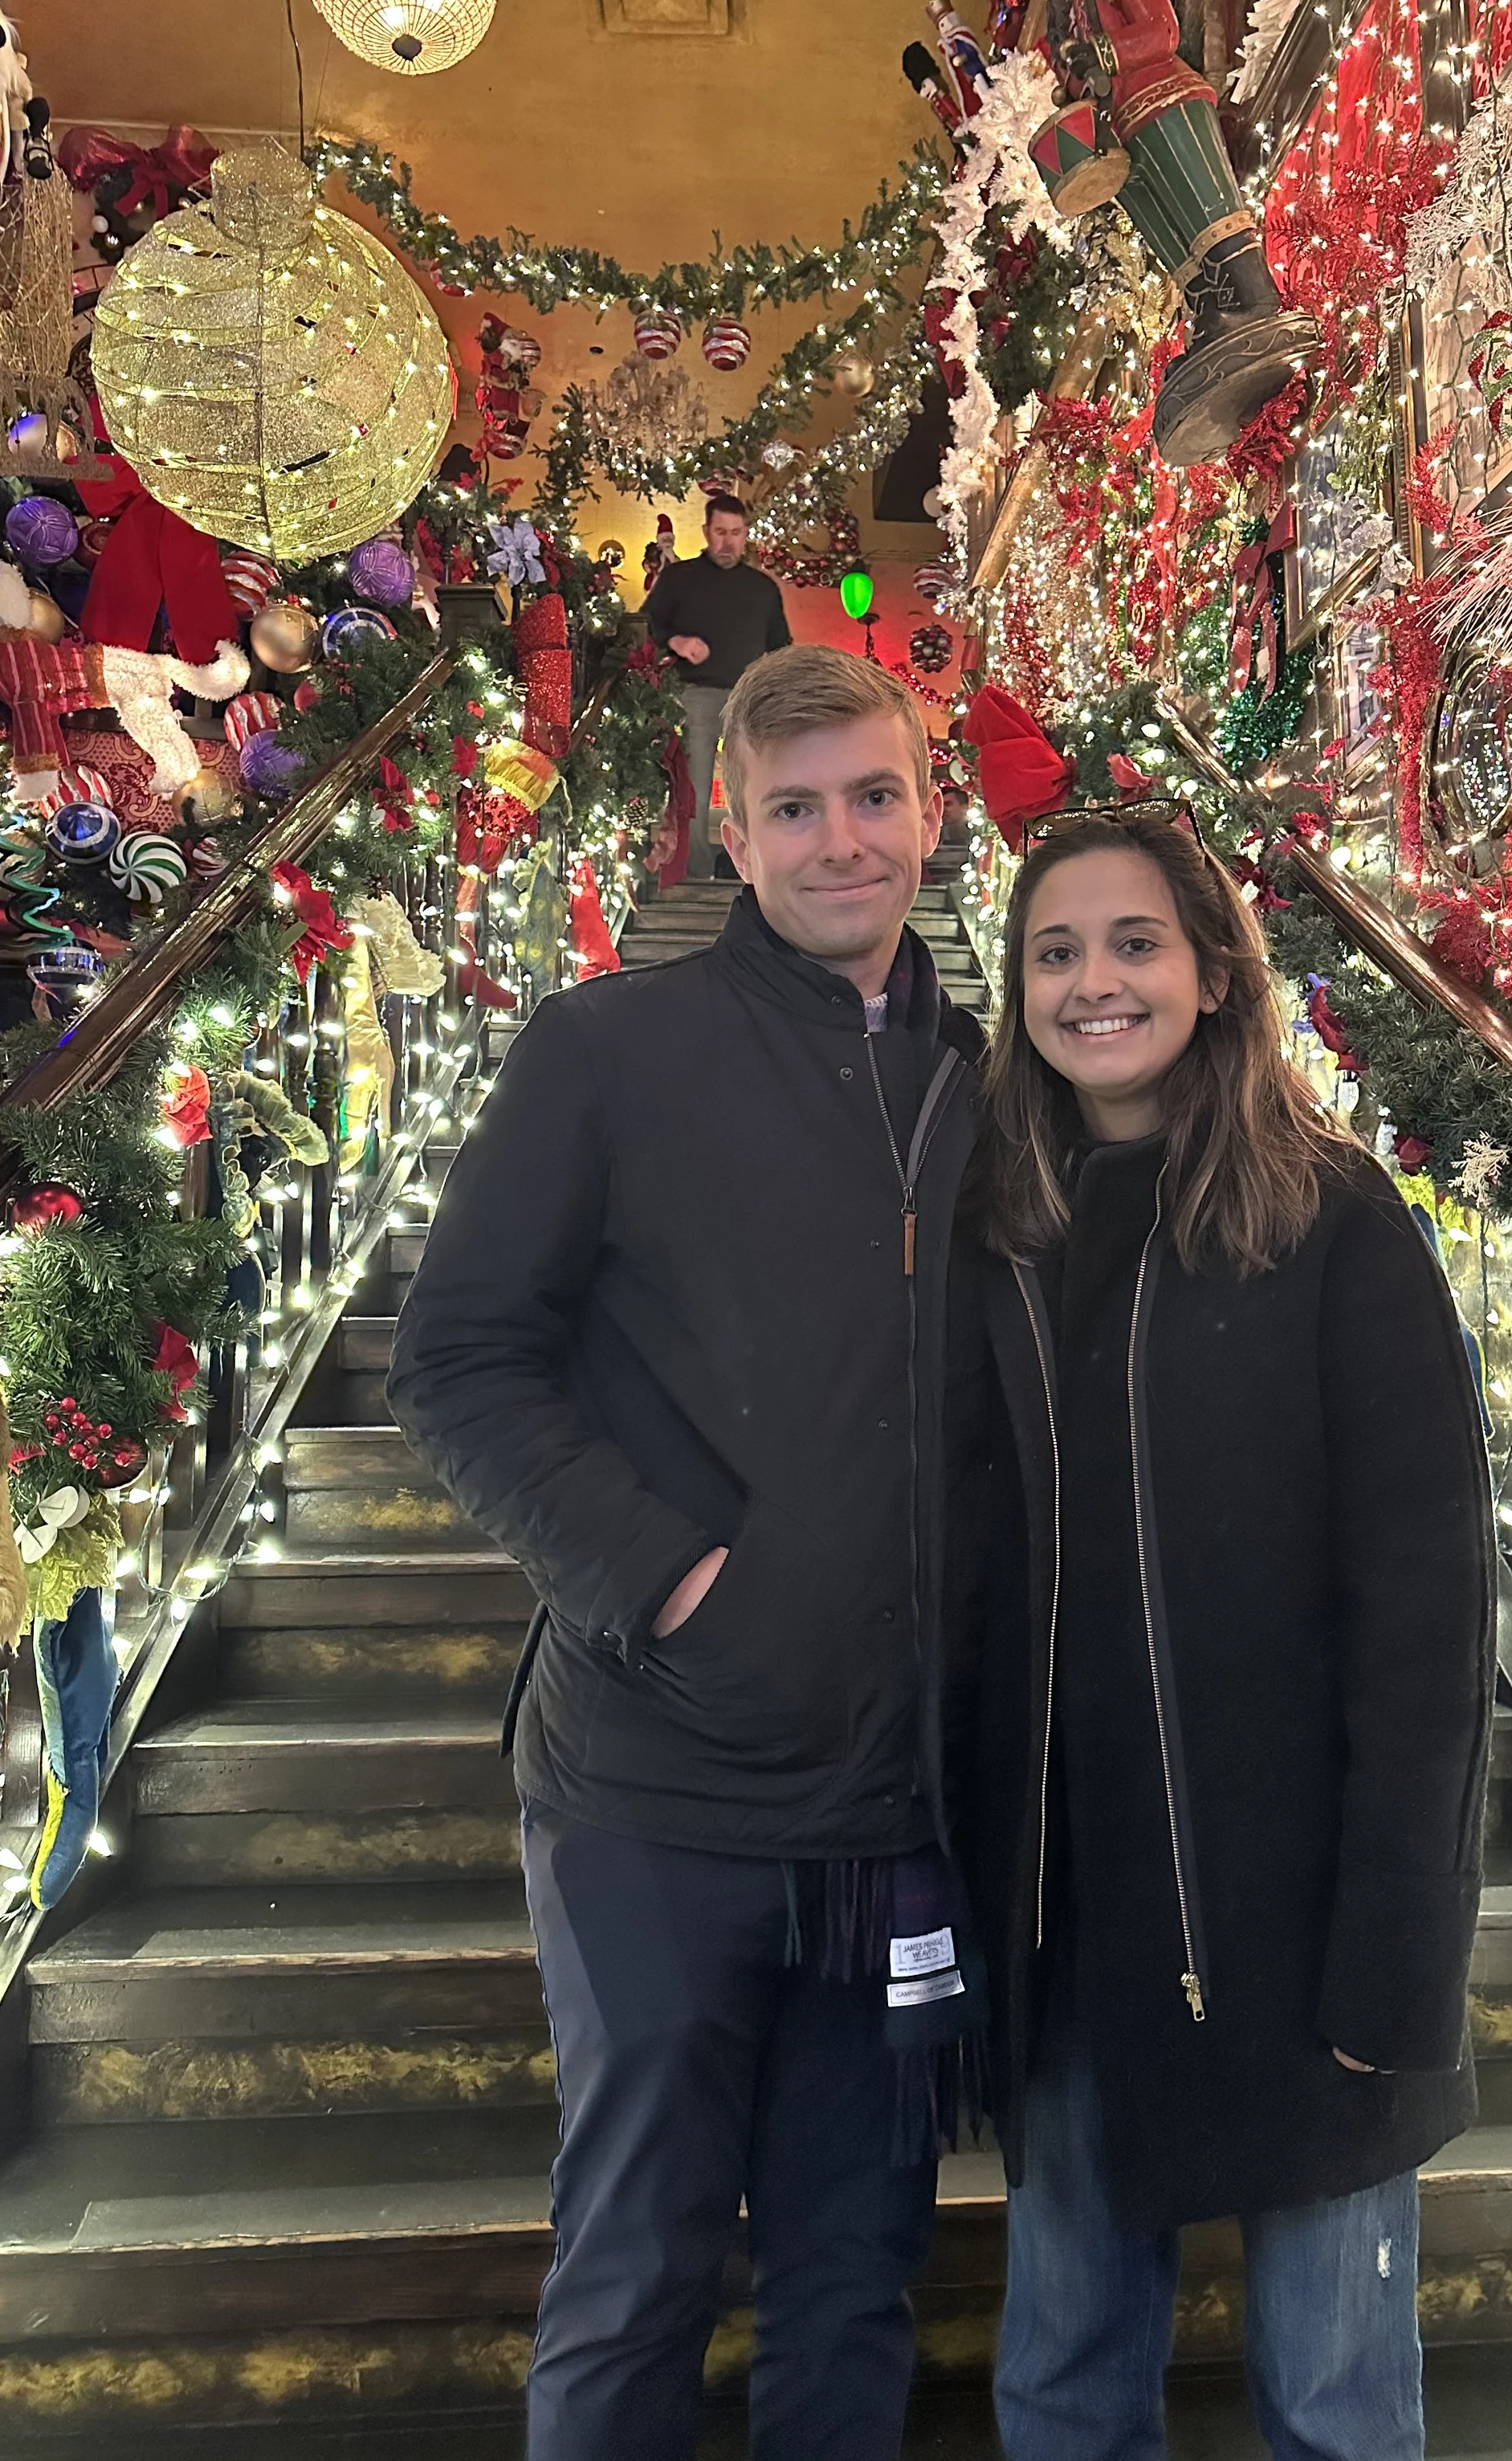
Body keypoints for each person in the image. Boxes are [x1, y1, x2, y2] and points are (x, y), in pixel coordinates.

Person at [387, 647, 984, 2461]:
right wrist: (664, 1579)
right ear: (728, 833)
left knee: (851, 2273)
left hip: (902, 1814)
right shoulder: (605, 1050)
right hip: (661, 1789)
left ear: (930, 811)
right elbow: (456, 1357)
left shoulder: (995, 1077)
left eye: (872, 796)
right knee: (638, 2264)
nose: (839, 841)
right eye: (792, 807)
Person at [956, 805, 1494, 2461]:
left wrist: (1399, 1953)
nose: (1093, 981)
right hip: (1067, 1929)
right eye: (1054, 950)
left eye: (1132, 943)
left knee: (1333, 2396)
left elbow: (1425, 1616)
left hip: (1306, 1923)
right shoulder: (992, 1236)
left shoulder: (1333, 1224)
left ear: (1209, 971)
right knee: (1060, 2377)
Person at [645, 492, 793, 879]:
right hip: (696, 693)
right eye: (720, 532)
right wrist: (676, 641)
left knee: (761, 784)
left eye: (736, 533)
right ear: (706, 532)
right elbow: (647, 626)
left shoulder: (763, 590)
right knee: (693, 785)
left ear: (746, 535)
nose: (728, 542)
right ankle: (695, 871)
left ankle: (760, 870)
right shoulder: (679, 579)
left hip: (753, 699)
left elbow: (781, 647)